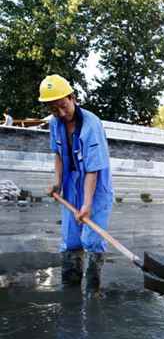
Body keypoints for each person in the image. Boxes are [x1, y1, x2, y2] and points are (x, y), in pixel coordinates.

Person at [39, 74, 113, 293]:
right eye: (55, 109)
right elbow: (59, 154)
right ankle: (70, 293)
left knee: (92, 239)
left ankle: (93, 292)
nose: (61, 113)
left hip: (96, 185)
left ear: (72, 98)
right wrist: (58, 183)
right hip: (71, 183)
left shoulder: (92, 124)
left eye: (63, 106)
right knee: (71, 240)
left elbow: (92, 169)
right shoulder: (55, 123)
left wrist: (87, 204)